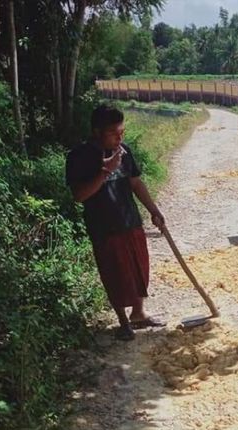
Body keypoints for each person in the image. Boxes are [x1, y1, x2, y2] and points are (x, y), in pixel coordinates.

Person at [66, 104, 166, 341]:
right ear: (96, 131)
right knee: (114, 274)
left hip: (130, 221)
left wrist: (153, 210)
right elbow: (79, 196)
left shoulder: (125, 151)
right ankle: (123, 322)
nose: (119, 138)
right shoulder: (79, 157)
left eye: (122, 132)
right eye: (113, 133)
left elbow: (136, 183)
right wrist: (105, 172)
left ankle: (138, 313)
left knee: (139, 268)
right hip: (104, 228)